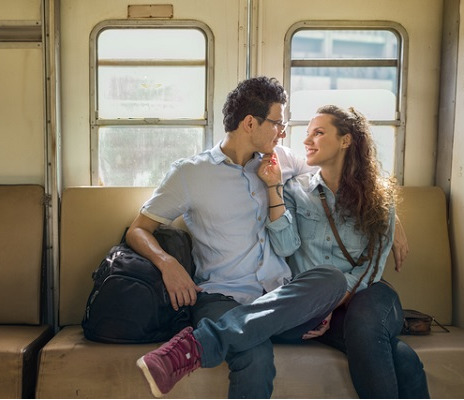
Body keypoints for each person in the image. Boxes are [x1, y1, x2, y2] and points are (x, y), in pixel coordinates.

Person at [126, 77, 408, 398]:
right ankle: (204, 342)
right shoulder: (190, 174)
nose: (284, 132)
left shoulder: (284, 160)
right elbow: (138, 229)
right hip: (222, 299)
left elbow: (350, 173)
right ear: (249, 123)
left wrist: (391, 219)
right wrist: (167, 263)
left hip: (282, 299)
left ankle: (196, 346)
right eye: (278, 123)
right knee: (256, 357)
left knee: (329, 280)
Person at [259, 105, 430, 398]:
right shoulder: (295, 190)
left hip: (368, 293)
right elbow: (286, 246)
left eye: (319, 132)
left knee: (364, 323)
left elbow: (372, 268)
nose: (307, 140)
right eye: (308, 133)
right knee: (400, 357)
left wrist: (333, 301)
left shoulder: (378, 196)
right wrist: (273, 188)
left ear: (346, 140)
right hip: (316, 301)